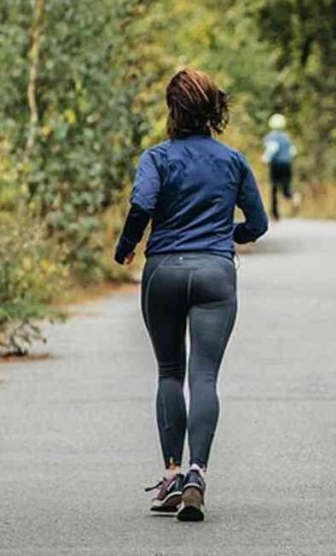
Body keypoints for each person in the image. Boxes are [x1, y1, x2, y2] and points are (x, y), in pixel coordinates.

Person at [114, 68, 269, 521]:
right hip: (215, 274)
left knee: (168, 372)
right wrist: (225, 233)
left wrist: (126, 247)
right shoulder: (233, 161)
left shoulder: (157, 158)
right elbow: (257, 225)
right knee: (204, 377)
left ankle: (171, 475)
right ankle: (198, 473)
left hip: (163, 270)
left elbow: (142, 204)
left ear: (172, 109)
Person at [262, 113, 298, 221]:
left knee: (274, 189)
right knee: (286, 188)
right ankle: (293, 196)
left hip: (276, 165)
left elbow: (273, 148)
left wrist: (265, 158)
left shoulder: (271, 136)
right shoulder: (286, 137)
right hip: (287, 164)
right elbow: (293, 151)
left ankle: (275, 214)